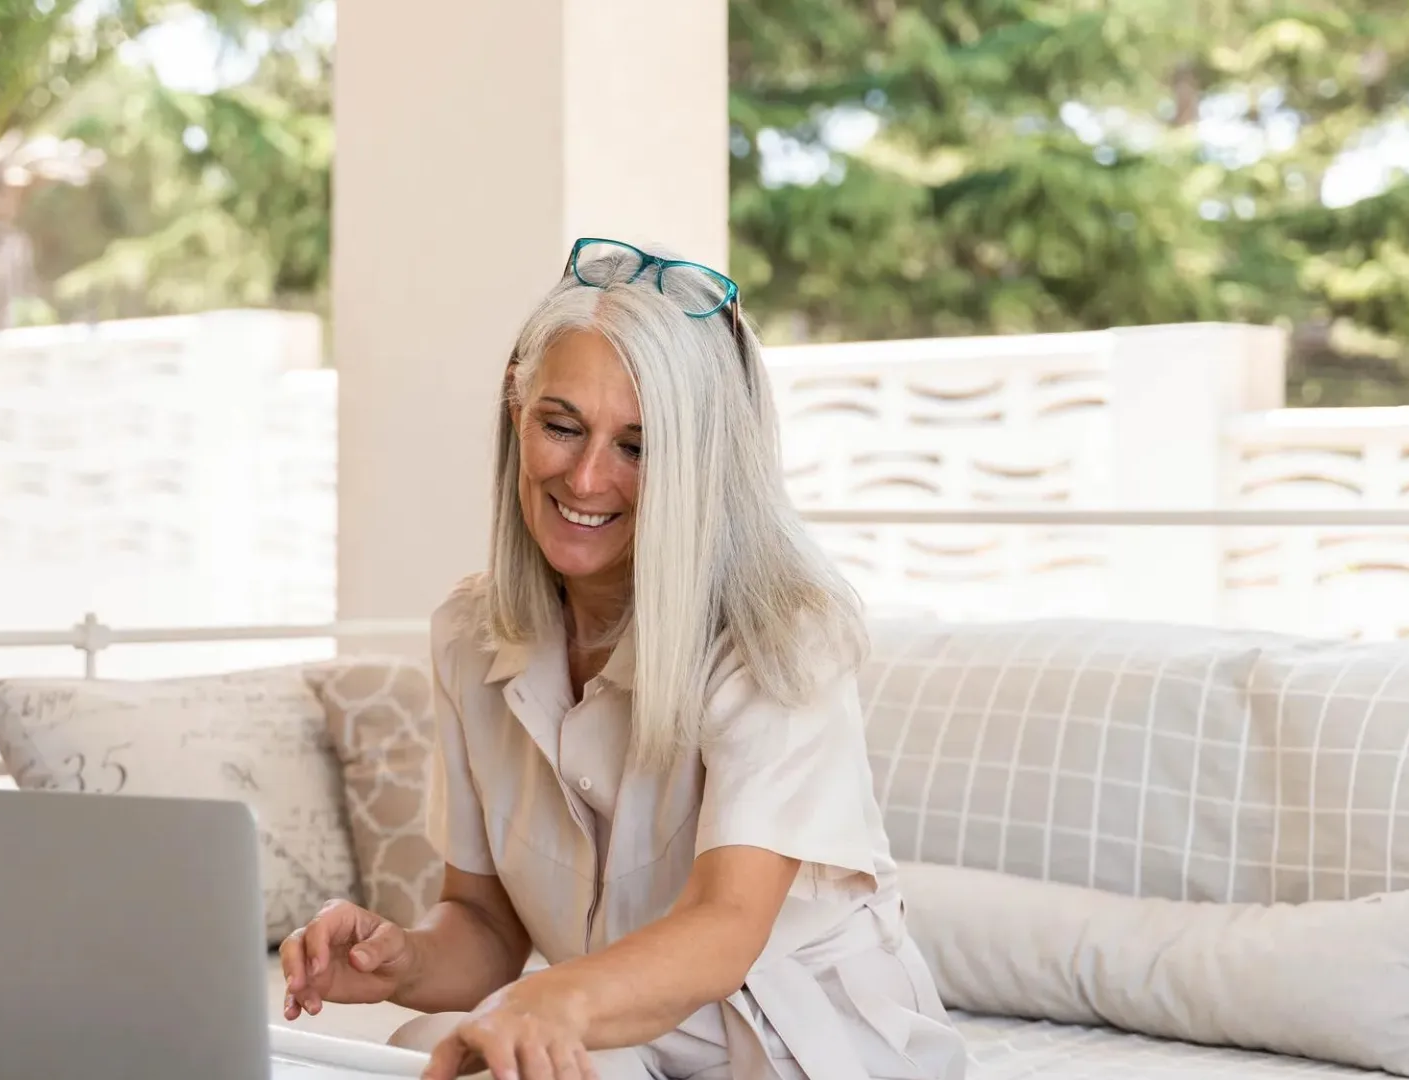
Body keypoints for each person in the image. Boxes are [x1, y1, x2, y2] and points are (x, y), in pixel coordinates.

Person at [279, 238, 967, 1080]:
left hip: (801, 1045)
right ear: (516, 413)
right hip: (614, 1030)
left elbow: (723, 927)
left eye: (637, 448)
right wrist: (405, 961)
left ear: (699, 462)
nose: (588, 478)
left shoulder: (783, 633)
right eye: (561, 427)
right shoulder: (469, 634)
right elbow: (487, 926)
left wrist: (542, 1004)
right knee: (425, 1053)